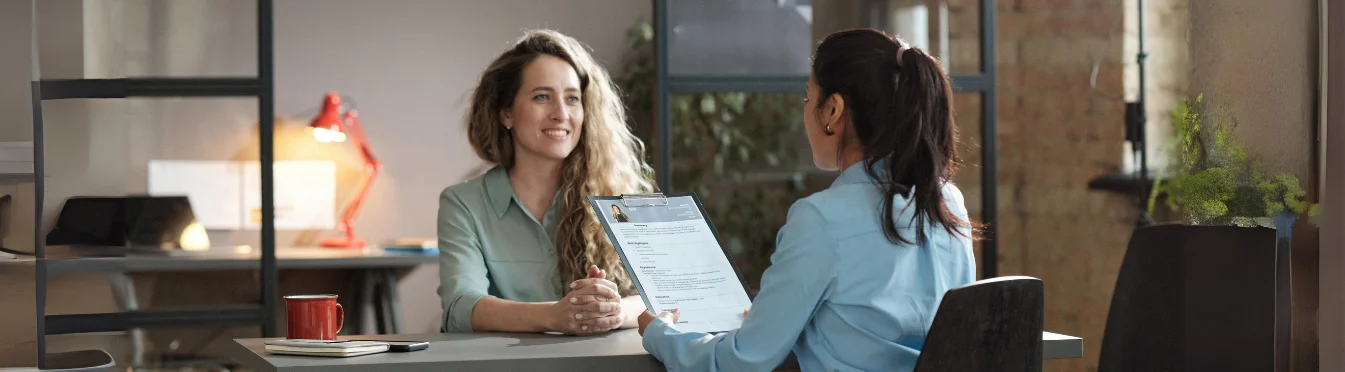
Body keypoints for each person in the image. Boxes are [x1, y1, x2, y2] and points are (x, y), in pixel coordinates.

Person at [637, 29, 977, 371]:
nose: (805, 111)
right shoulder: (948, 202)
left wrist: (659, 332)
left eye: (807, 98)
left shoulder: (822, 219)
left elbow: (739, 362)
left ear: (832, 110)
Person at [437, 29, 655, 335]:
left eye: (572, 99)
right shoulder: (462, 203)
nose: (561, 114)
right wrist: (556, 315)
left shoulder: (618, 197)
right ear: (506, 114)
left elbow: (666, 297)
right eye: (542, 97)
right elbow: (460, 307)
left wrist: (613, 311)